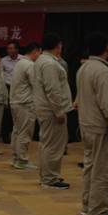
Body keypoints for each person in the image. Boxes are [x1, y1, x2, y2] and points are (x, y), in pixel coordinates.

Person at [77, 34, 108, 215]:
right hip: (100, 127)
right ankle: (98, 210)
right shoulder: (102, 71)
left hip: (87, 124)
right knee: (104, 170)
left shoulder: (84, 67)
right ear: (107, 49)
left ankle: (88, 205)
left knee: (91, 167)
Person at [32, 33, 72, 190]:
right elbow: (53, 90)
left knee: (47, 144)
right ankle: (50, 178)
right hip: (51, 110)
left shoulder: (42, 60)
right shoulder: (49, 63)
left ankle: (47, 175)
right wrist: (59, 111)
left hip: (46, 109)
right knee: (53, 145)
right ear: (58, 46)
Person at [9, 43, 41, 170]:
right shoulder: (29, 64)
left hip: (16, 102)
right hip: (25, 103)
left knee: (17, 131)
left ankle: (16, 157)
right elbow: (36, 84)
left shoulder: (20, 63)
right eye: (40, 53)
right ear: (35, 51)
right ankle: (22, 160)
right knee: (25, 132)